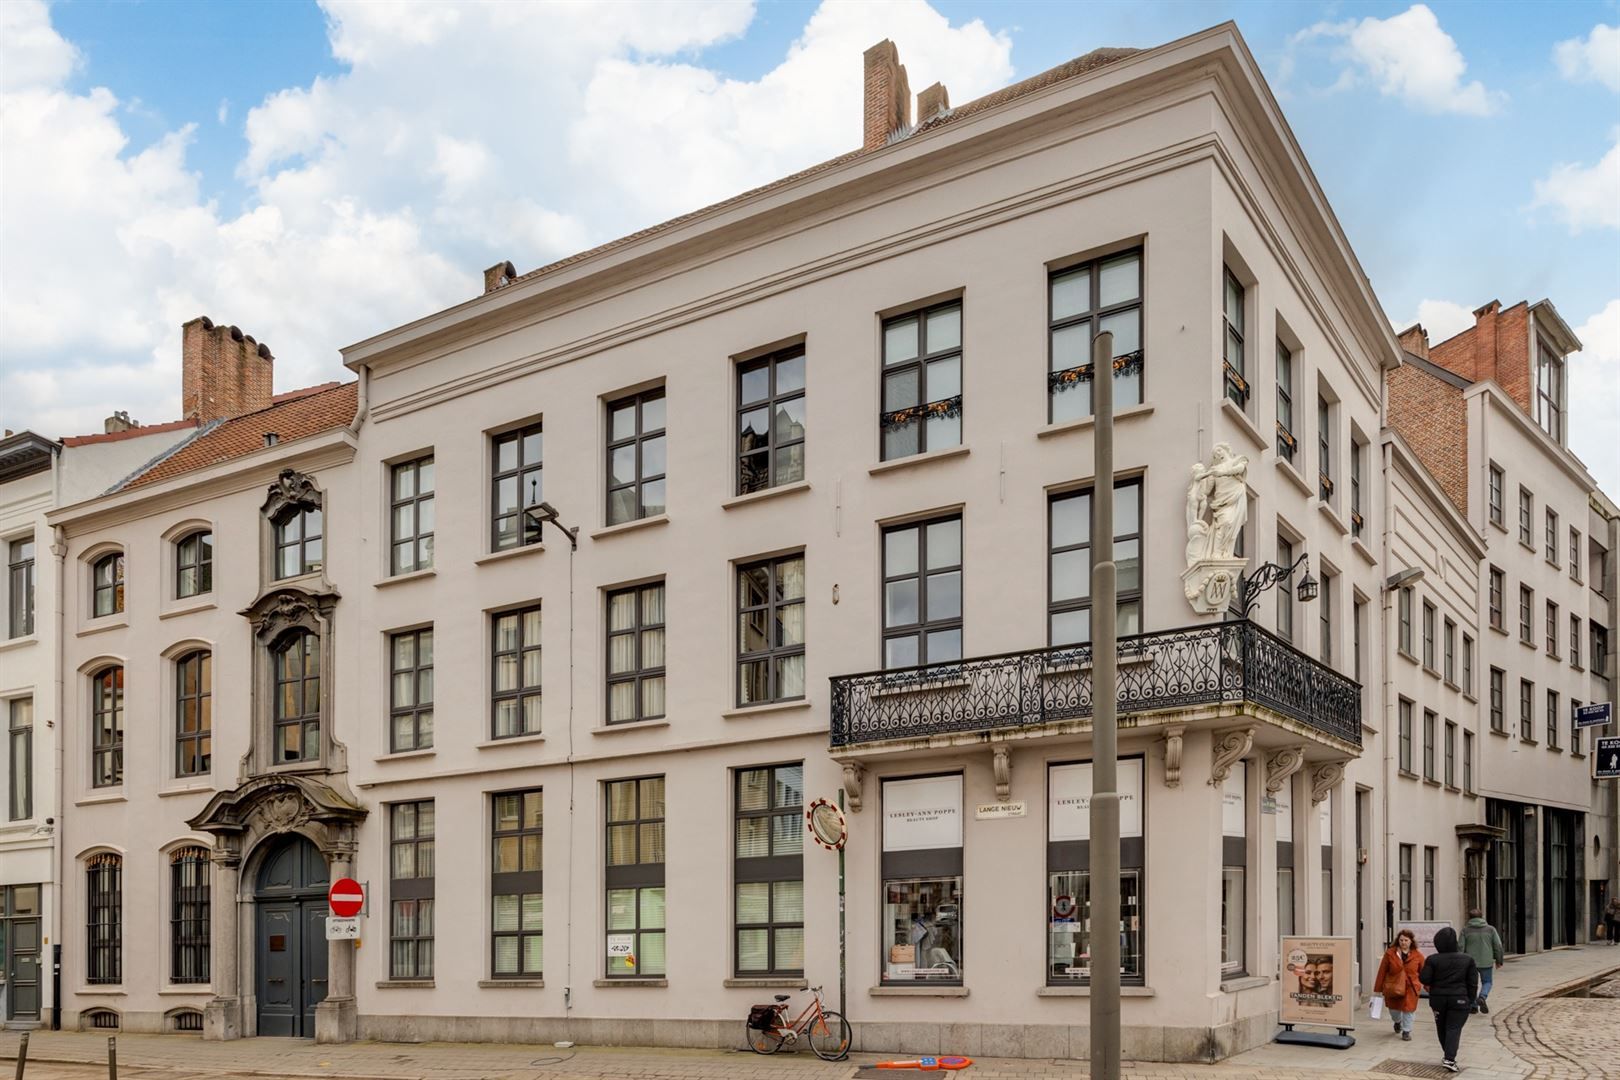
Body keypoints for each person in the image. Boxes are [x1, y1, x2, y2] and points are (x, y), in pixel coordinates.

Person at [1419, 925, 1479, 1073]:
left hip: (1438, 999)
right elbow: (1473, 983)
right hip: (1460, 998)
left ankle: (1448, 1054)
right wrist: (1471, 1000)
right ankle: (1449, 1058)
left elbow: (1424, 978)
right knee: (1454, 1027)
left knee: (1441, 1027)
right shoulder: (1467, 960)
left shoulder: (1432, 959)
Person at [1374, 929, 1424, 1040]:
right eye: (1401, 940)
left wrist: (1428, 986)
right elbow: (1382, 971)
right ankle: (1397, 1021)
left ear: (1411, 941)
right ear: (1398, 940)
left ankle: (1406, 1031)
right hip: (1393, 986)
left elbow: (1424, 972)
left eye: (1406, 940)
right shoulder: (1390, 953)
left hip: (1411, 987)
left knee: (1409, 1010)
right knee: (1394, 1010)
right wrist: (1378, 988)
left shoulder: (1417, 955)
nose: (1403, 942)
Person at [1460, 908, 1505, 1013]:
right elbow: (1498, 946)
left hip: (1470, 962)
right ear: (1482, 917)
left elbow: (1460, 947)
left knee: (1471, 984)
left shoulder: (1465, 930)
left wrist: (1460, 961)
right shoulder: (1490, 929)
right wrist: (1499, 960)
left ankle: (1473, 1005)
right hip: (1486, 961)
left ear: (1469, 918)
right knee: (1487, 982)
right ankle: (1482, 997)